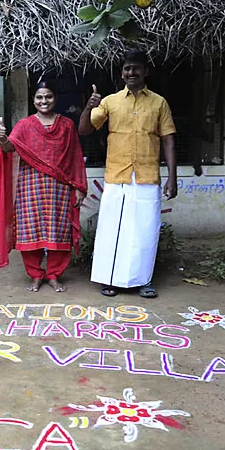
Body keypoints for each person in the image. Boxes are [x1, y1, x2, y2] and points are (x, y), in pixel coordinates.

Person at [79, 50, 177, 299]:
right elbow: (85, 129)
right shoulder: (110, 101)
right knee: (113, 229)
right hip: (117, 174)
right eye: (126, 69)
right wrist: (88, 107)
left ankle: (143, 281)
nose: (131, 72)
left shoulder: (159, 102)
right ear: (121, 73)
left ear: (146, 71)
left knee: (144, 230)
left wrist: (172, 177)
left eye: (135, 68)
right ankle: (109, 279)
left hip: (146, 176)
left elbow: (168, 140)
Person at [0, 81, 87, 293]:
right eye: (39, 97)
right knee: (30, 231)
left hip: (60, 187)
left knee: (59, 232)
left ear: (55, 98)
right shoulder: (24, 125)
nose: (43, 101)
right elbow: (10, 148)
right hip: (30, 187)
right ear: (33, 100)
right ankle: (36, 275)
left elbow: (75, 156)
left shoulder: (66, 125)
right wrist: (2, 139)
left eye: (48, 97)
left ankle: (54, 274)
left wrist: (80, 187)